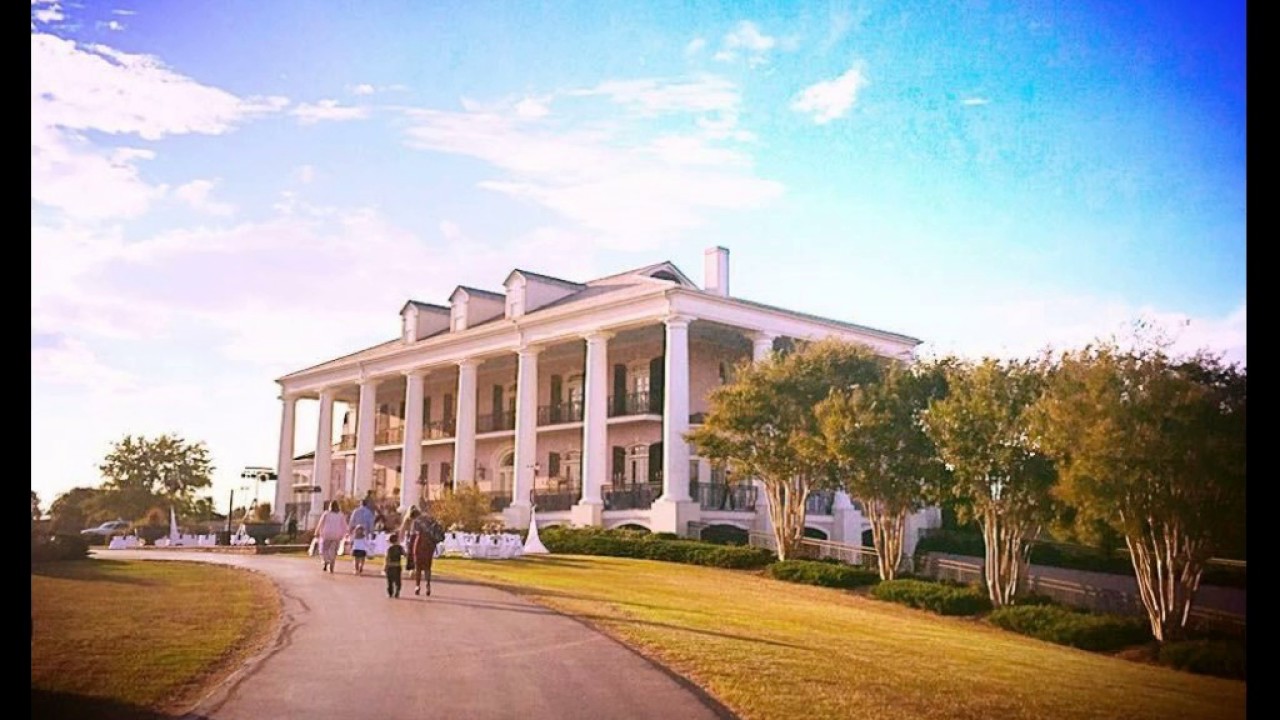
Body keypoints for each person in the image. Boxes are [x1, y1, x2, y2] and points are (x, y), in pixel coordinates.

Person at [410, 503, 445, 596]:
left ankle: (417, 586)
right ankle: (428, 585)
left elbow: (414, 533)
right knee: (427, 567)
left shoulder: (416, 521)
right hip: (430, 545)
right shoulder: (430, 518)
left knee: (418, 566)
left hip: (420, 543)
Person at [315, 500, 349, 573]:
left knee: (324, 549)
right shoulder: (340, 515)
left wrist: (317, 532)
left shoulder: (326, 514)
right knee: (333, 551)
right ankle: (331, 566)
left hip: (326, 534)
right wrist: (344, 534)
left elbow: (320, 523)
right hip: (337, 535)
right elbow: (344, 526)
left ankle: (326, 560)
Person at [384, 532, 405, 598]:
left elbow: (387, 557)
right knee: (397, 580)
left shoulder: (389, 548)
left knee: (389, 581)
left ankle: (390, 592)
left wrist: (385, 566)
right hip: (397, 566)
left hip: (390, 566)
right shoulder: (400, 548)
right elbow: (404, 554)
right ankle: (397, 591)